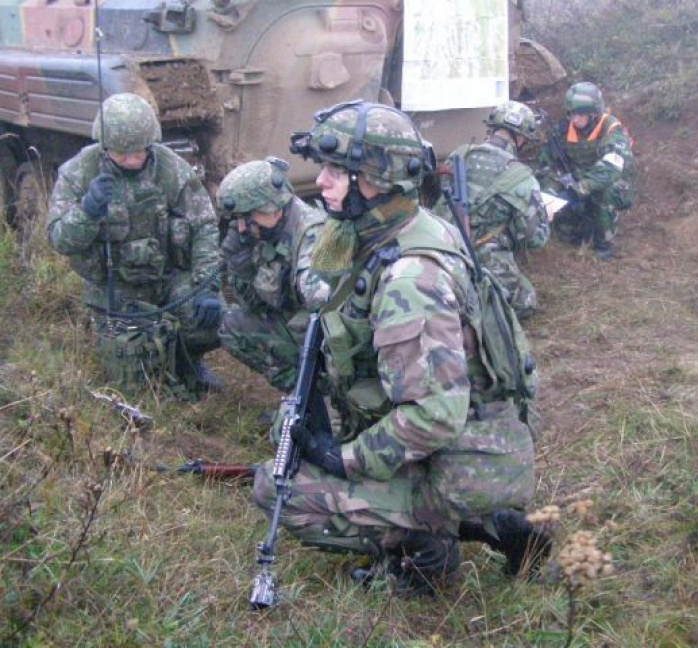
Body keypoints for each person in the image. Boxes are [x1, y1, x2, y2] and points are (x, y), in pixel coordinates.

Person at [253, 100, 548, 596]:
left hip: (463, 455)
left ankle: (429, 551)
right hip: (454, 434)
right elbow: (324, 287)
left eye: (334, 171)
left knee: (279, 488)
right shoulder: (391, 225)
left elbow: (435, 415)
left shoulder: (410, 280)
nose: (321, 182)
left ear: (374, 179)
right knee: (287, 429)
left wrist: (345, 459)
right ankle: (476, 522)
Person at [47, 93, 224, 395]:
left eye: (138, 152)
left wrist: (207, 285)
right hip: (113, 290)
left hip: (166, 279)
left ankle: (189, 363)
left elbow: (204, 226)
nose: (131, 160)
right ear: (105, 147)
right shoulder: (79, 172)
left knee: (211, 319)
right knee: (133, 372)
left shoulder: (171, 168)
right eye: (121, 153)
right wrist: (87, 212)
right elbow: (60, 240)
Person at [217, 158, 329, 396]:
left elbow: (325, 313)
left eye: (247, 218)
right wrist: (240, 266)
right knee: (233, 326)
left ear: (273, 209)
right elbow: (256, 307)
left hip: (324, 341)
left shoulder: (312, 236)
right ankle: (305, 395)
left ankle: (329, 395)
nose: (241, 228)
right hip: (296, 326)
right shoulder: (265, 233)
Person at [434, 100, 549, 321]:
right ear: (521, 138)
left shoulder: (460, 154)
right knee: (525, 301)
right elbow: (536, 238)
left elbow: (444, 193)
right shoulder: (522, 177)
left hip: (441, 242)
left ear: (492, 127)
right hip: (482, 254)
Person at [536, 81, 635, 260]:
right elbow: (546, 162)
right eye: (571, 114)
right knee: (549, 190)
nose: (575, 120)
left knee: (605, 193)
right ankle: (574, 228)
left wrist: (580, 188)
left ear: (593, 113)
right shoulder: (564, 129)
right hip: (577, 181)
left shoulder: (613, 130)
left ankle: (604, 245)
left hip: (611, 184)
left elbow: (610, 169)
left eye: (580, 114)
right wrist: (552, 185)